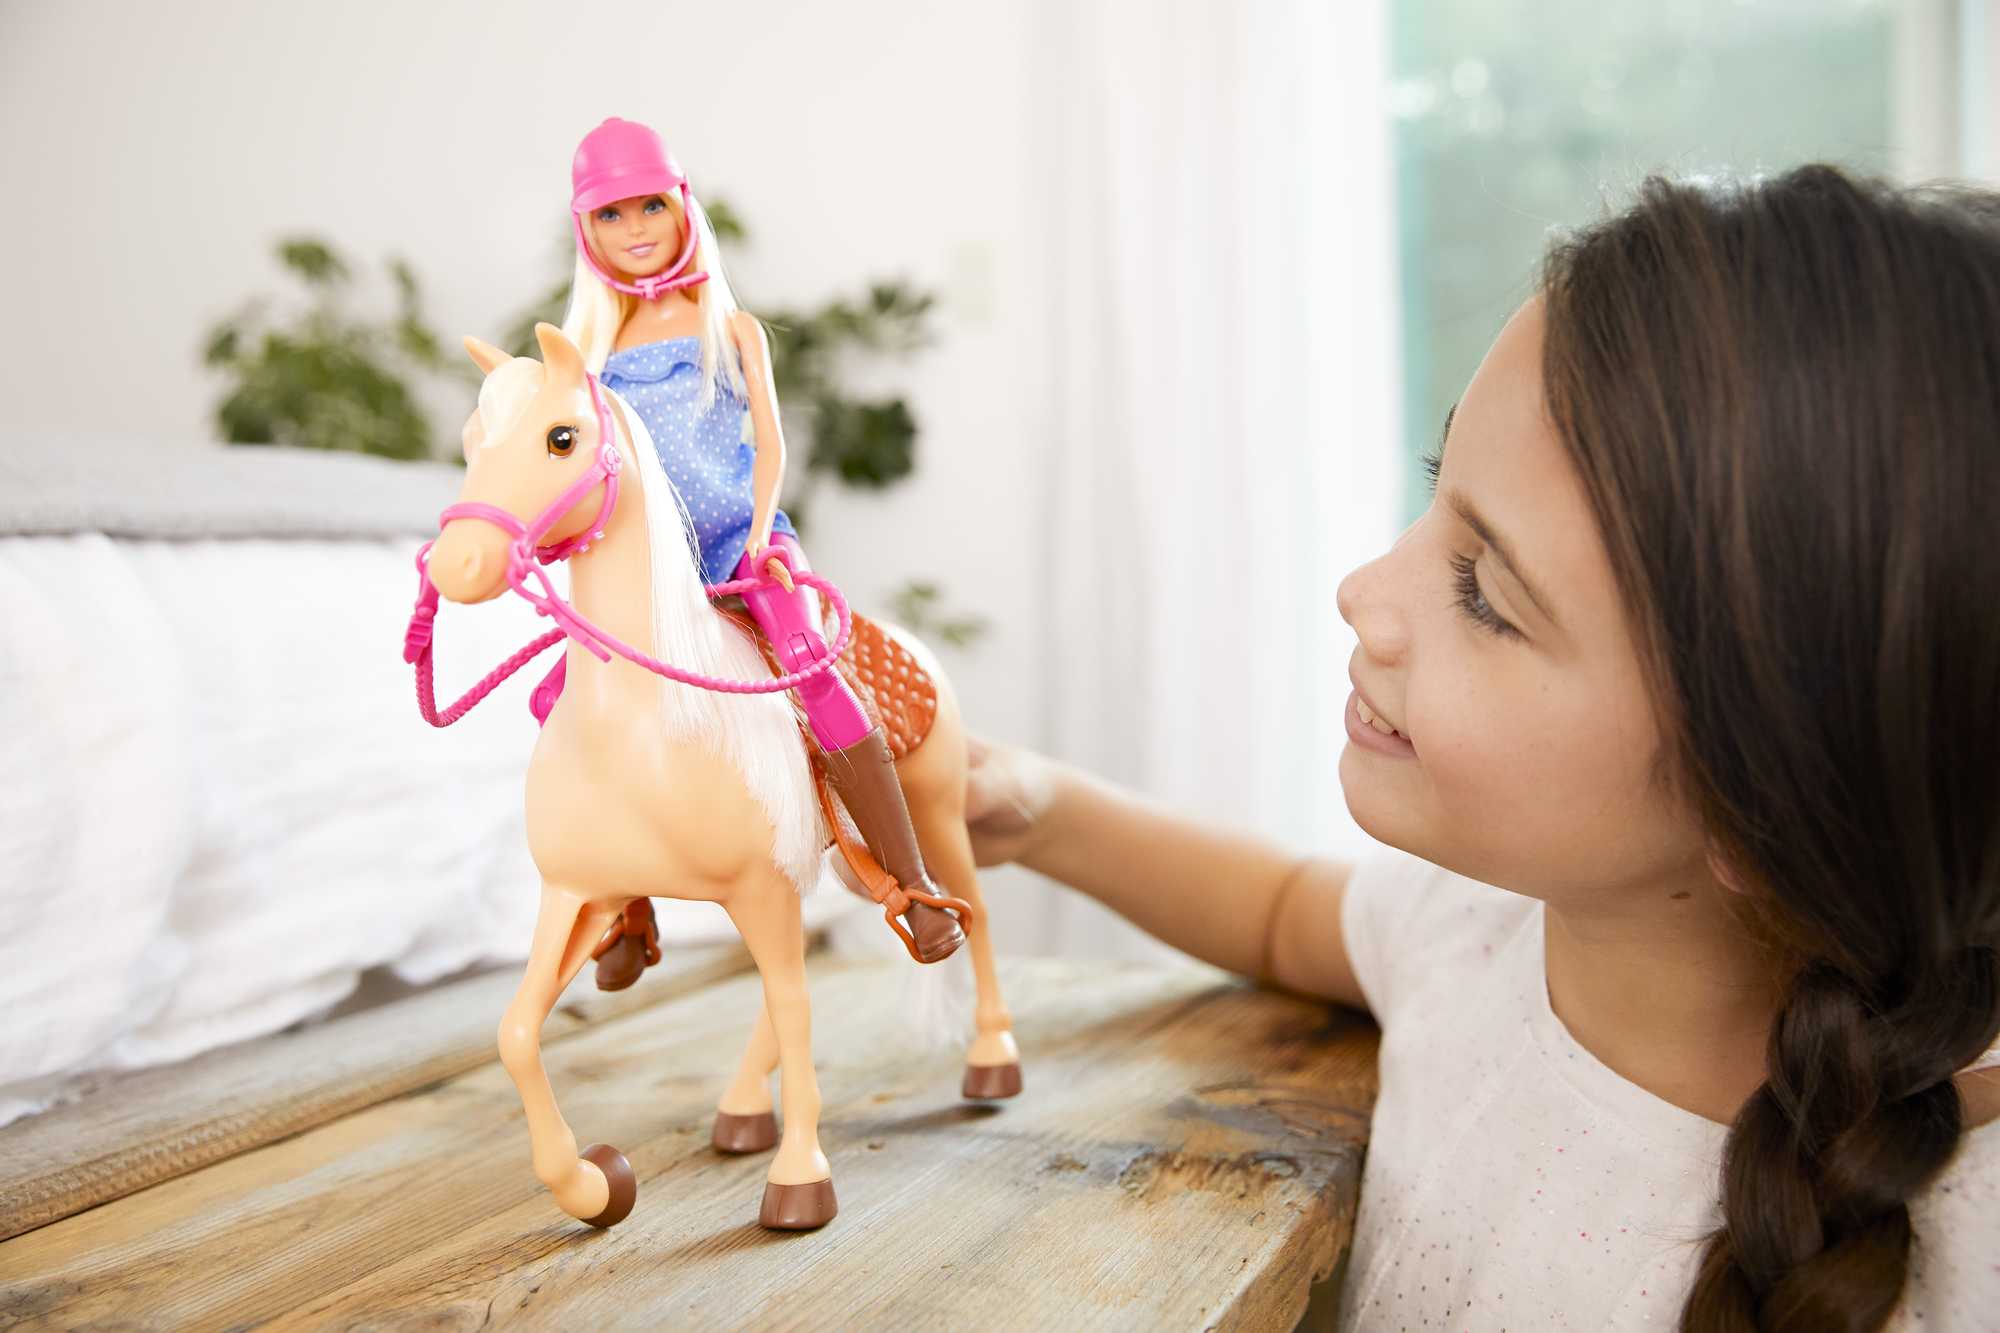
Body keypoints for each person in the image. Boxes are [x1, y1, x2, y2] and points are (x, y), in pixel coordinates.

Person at [963, 165, 2000, 1330]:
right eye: (1434, 486)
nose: (1363, 592)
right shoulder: (1475, 938)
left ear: (1766, 806)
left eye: (1484, 593)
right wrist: (1042, 811)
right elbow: (1280, 911)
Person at [540, 117, 964, 978]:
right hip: (651, 572)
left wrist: (764, 531)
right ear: (588, 231)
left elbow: (769, 443)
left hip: (743, 544)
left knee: (813, 670)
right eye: (612, 215)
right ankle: (625, 904)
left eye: (650, 206)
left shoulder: (729, 329)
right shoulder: (590, 354)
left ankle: (911, 885)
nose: (636, 229)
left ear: (681, 206)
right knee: (565, 695)